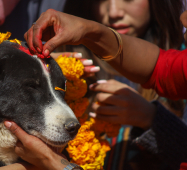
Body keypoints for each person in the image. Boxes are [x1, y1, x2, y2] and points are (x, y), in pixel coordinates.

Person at [23, 9, 187, 169]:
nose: (114, 11)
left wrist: (151, 118)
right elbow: (160, 67)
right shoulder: (66, 58)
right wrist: (41, 75)